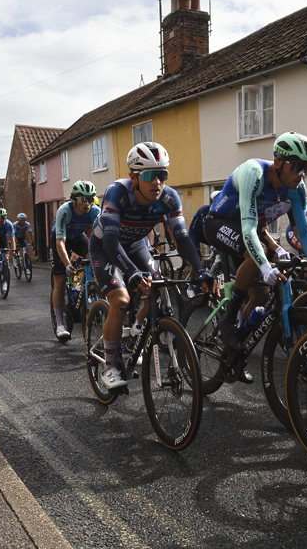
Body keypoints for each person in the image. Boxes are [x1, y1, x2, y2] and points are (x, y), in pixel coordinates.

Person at [88, 142, 214, 390]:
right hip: (105, 247)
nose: (157, 181)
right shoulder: (117, 193)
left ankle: (135, 333)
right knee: (121, 301)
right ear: (134, 177)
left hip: (136, 244)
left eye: (162, 174)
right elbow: (112, 243)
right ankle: (110, 366)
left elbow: (182, 239)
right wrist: (132, 272)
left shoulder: (169, 198)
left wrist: (199, 270)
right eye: (149, 175)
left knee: (157, 288)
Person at [203, 132, 307, 356]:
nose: (301, 174)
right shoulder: (254, 173)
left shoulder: (296, 188)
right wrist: (263, 265)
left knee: (261, 294)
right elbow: (249, 228)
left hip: (249, 232)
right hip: (220, 223)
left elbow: (304, 232)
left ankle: (238, 342)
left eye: (306, 167)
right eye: (296, 166)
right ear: (278, 162)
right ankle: (228, 319)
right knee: (258, 254)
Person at [51, 182, 101, 341]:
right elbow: (60, 242)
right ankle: (60, 324)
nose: (87, 203)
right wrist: (67, 264)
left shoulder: (95, 211)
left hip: (78, 237)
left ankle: (84, 285)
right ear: (74, 199)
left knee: (94, 256)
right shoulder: (64, 211)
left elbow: (104, 235)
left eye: (91, 199)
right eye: (83, 199)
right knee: (59, 280)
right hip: (61, 238)